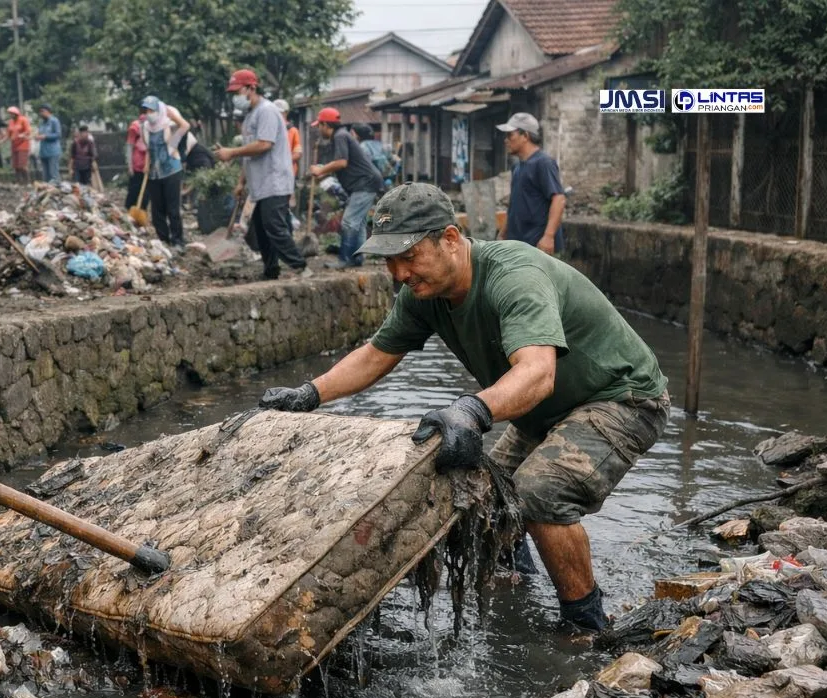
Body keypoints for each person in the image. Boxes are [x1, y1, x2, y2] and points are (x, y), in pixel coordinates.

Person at [259, 182, 669, 632]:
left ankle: (587, 624)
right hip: (544, 411)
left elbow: (537, 372)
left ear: (450, 240)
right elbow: (377, 354)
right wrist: (309, 394)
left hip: (620, 397)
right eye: (389, 261)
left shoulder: (514, 274)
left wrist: (471, 410)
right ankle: (518, 581)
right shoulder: (424, 294)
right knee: (482, 494)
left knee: (538, 493)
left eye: (408, 256)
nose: (399, 273)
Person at [214, 69, 310, 281]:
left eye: (237, 91)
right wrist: (241, 182)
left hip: (274, 180)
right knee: (261, 229)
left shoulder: (267, 111)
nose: (235, 97)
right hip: (261, 183)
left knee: (274, 227)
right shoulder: (249, 117)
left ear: (251, 88)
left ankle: (301, 267)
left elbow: (264, 145)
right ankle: (270, 270)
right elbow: (249, 154)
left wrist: (231, 152)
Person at [310, 108, 384, 269]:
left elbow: (341, 162)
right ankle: (357, 259)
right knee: (358, 223)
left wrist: (320, 170)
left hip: (365, 183)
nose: (318, 129)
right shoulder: (341, 136)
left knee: (349, 222)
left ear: (326, 124)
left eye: (319, 126)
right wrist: (322, 175)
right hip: (366, 182)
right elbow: (343, 165)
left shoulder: (340, 136)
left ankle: (345, 259)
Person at [498, 112, 565, 255]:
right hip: (520, 244)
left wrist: (548, 236)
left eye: (510, 135)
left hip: (537, 244)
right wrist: (503, 234)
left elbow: (558, 199)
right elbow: (514, 204)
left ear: (525, 136)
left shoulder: (543, 163)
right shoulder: (517, 167)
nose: (506, 140)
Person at [139, 95, 190, 247]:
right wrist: (146, 164)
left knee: (173, 208)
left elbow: (185, 126)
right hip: (154, 173)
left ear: (159, 110)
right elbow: (149, 148)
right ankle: (164, 240)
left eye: (151, 110)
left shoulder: (170, 126)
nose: (149, 114)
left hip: (172, 170)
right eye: (146, 110)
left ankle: (178, 241)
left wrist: (174, 116)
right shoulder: (145, 128)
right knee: (157, 210)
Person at [124, 111, 150, 211]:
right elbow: (129, 147)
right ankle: (129, 209)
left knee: (146, 192)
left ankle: (142, 210)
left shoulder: (153, 129)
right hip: (137, 166)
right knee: (134, 189)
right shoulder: (135, 128)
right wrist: (130, 166)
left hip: (148, 167)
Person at [273, 99, 303, 178]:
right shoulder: (268, 129)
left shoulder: (292, 131)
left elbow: (297, 154)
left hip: (287, 173)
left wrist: (282, 161)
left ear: (286, 113)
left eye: (280, 113)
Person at [35, 104, 62, 183]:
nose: (41, 113)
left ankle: (56, 191)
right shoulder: (41, 123)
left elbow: (58, 134)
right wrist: (37, 137)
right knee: (45, 176)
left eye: (43, 111)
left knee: (53, 175)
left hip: (53, 151)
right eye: (40, 112)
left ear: (48, 111)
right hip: (43, 152)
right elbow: (40, 134)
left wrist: (45, 136)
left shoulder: (54, 121)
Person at [6, 106, 32, 184]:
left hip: (23, 145)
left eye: (12, 113)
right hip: (14, 145)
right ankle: (18, 182)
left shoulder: (23, 119)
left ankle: (27, 182)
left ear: (16, 114)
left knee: (22, 165)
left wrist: (22, 134)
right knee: (16, 166)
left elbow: (28, 131)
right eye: (10, 114)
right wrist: (3, 140)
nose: (11, 115)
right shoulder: (11, 122)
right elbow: (9, 134)